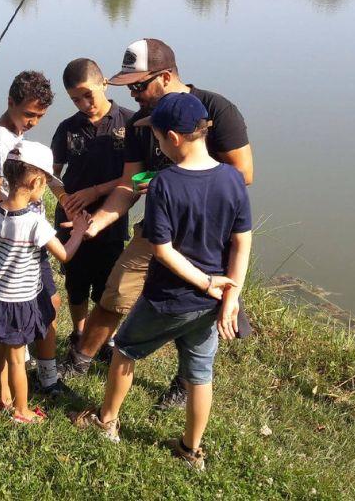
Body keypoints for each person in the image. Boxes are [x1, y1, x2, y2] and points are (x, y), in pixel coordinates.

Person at [59, 39, 254, 412]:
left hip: (209, 231)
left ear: (165, 77)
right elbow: (128, 185)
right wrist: (97, 222)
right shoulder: (140, 124)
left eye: (138, 85)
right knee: (115, 293)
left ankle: (184, 383)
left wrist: (180, 180)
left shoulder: (217, 110)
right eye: (128, 88)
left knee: (201, 307)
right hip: (158, 228)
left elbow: (243, 174)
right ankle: (80, 360)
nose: (133, 95)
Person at [70, 92, 253, 471]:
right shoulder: (233, 179)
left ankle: (106, 422)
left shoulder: (165, 184)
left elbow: (163, 251)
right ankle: (191, 450)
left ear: (172, 137)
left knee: (126, 351)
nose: (155, 144)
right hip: (211, 304)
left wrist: (205, 283)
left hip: (168, 298)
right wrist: (230, 293)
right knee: (200, 375)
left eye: (155, 137)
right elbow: (242, 242)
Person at [0, 141, 90, 423]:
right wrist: (78, 231)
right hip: (18, 302)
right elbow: (64, 254)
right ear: (37, 181)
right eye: (45, 185)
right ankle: (21, 410)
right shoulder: (34, 223)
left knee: (0, 348)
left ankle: (2, 397)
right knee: (17, 358)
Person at [0, 70, 68, 396]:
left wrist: (65, 197)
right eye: (28, 114)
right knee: (48, 304)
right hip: (20, 242)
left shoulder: (17, 136)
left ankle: (38, 367)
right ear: (10, 102)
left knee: (47, 304)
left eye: (39, 116)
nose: (32, 122)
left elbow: (40, 174)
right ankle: (46, 379)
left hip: (30, 238)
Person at [51, 58, 134, 353]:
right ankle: (79, 333)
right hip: (72, 220)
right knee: (76, 281)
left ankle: (103, 340)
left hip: (110, 219)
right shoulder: (67, 128)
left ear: (104, 83)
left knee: (107, 285)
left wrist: (96, 191)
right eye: (76, 99)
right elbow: (51, 174)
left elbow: (140, 175)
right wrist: (67, 201)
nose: (84, 104)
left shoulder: (130, 123)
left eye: (88, 94)